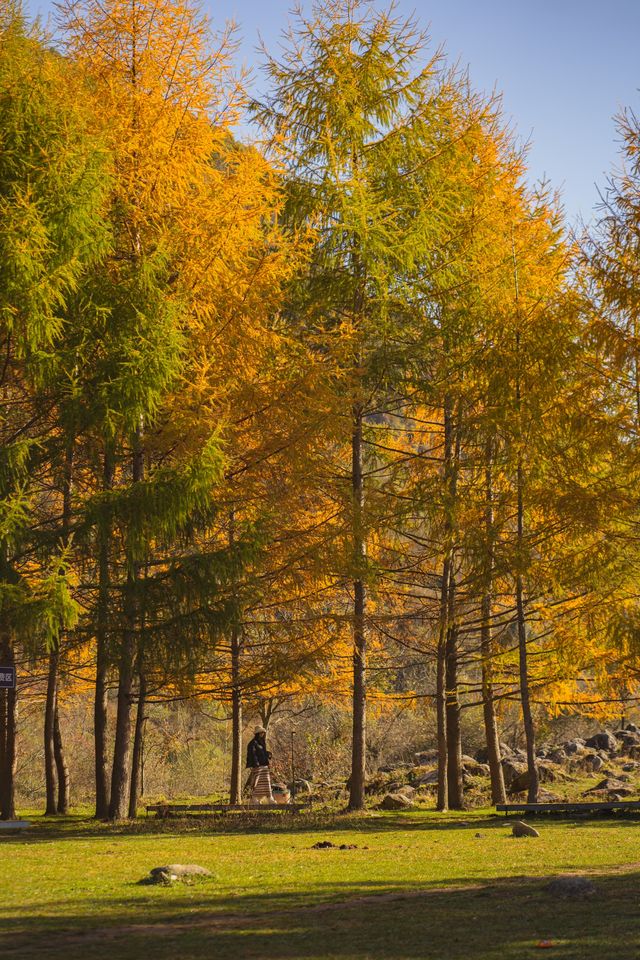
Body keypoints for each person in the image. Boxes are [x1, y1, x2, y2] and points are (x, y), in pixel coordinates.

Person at [244, 726, 275, 804]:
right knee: (257, 783)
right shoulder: (252, 743)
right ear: (258, 733)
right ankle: (254, 798)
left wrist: (268, 755)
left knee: (267, 781)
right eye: (261, 733)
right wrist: (256, 764)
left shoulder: (262, 742)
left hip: (264, 766)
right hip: (257, 767)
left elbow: (263, 753)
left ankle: (269, 797)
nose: (262, 734)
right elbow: (252, 755)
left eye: (263, 733)